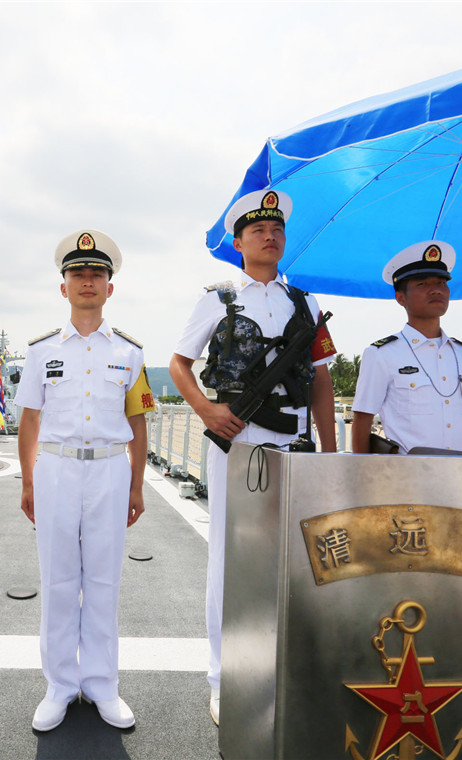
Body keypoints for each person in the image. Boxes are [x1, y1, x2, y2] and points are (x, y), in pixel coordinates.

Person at [169, 189, 337, 726]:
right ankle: (224, 678)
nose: (270, 236)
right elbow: (178, 363)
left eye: (278, 230)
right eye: (259, 230)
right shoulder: (217, 299)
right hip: (236, 442)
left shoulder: (305, 304)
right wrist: (206, 411)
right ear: (238, 242)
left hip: (296, 446)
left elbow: (323, 381)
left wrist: (331, 455)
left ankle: (284, 674)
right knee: (230, 558)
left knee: (296, 560)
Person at [15, 229, 156, 732]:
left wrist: (137, 485)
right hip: (54, 468)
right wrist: (28, 481)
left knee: (103, 579)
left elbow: (137, 421)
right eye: (78, 273)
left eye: (97, 273)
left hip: (110, 469)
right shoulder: (39, 351)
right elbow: (29, 420)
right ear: (64, 287)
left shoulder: (131, 352)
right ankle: (59, 685)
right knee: (56, 579)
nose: (88, 281)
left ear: (109, 287)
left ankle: (102, 685)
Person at [351, 240, 462, 454]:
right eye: (423, 284)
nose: (436, 291)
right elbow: (362, 421)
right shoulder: (382, 354)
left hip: (461, 476)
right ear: (401, 298)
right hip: (408, 478)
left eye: (441, 283)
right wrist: (361, 479)